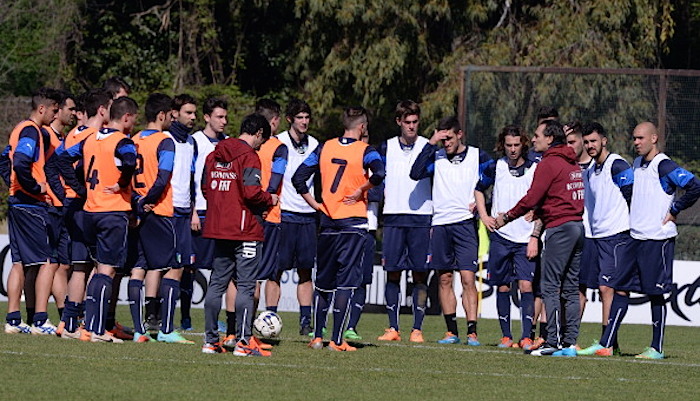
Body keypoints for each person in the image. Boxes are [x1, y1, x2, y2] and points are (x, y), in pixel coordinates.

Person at [587, 122, 700, 359]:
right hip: (634, 237)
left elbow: (694, 185)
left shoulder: (664, 165)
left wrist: (675, 209)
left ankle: (656, 348)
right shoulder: (637, 164)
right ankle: (607, 344)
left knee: (655, 293)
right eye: (634, 138)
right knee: (620, 288)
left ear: (654, 138)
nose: (636, 142)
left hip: (657, 240)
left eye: (640, 138)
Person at [294, 106, 385, 352]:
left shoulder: (324, 147)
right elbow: (379, 173)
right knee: (346, 283)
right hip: (353, 224)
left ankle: (316, 337)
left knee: (323, 282)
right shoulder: (366, 150)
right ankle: (336, 340)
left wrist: (316, 205)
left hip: (327, 223)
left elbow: (298, 178)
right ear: (362, 127)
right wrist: (362, 190)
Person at [495, 119, 584, 357]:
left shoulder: (549, 163)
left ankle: (552, 341)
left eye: (537, 135)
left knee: (550, 287)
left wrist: (508, 217)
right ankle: (569, 343)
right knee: (571, 288)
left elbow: (531, 198)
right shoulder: (571, 161)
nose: (533, 140)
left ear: (550, 139)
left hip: (560, 228)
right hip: (577, 227)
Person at [54, 96, 138, 342]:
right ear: (126, 118)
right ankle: (97, 328)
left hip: (89, 211)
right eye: (133, 119)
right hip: (112, 212)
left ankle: (74, 325)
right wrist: (122, 183)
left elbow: (61, 159)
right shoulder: (122, 141)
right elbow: (130, 162)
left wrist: (79, 187)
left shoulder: (90, 138)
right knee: (106, 271)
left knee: (87, 268)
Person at [410, 116, 493, 346]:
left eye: (449, 138)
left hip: (465, 223)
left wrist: (484, 203)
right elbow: (415, 173)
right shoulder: (436, 157)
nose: (445, 143)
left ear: (460, 135)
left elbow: (499, 176)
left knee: (468, 278)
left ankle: (472, 332)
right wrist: (431, 142)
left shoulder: (478, 156)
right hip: (440, 224)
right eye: (442, 138)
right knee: (444, 278)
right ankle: (451, 331)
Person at [201, 114, 278, 356]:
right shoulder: (249, 157)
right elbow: (252, 192)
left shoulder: (213, 154)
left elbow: (206, 188)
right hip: (245, 228)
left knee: (216, 284)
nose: (261, 146)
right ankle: (244, 343)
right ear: (257, 134)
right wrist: (270, 199)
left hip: (219, 227)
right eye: (262, 141)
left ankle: (210, 341)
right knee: (245, 286)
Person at [46, 89, 112, 339]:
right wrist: (80, 189)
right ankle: (91, 323)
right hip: (88, 206)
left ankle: (69, 323)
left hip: (73, 207)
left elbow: (53, 165)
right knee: (100, 264)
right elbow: (61, 165)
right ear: (103, 110)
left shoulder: (75, 132)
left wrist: (64, 196)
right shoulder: (95, 136)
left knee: (79, 267)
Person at [129, 93, 193, 344]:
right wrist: (147, 201)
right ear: (162, 115)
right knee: (173, 267)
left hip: (138, 212)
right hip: (160, 211)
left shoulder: (133, 140)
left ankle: (139, 331)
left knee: (139, 268)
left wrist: (137, 203)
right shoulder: (165, 142)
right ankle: (166, 330)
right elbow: (163, 176)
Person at [475, 125, 540, 350]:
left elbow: (543, 199)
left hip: (524, 238)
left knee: (526, 285)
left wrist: (534, 234)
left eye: (516, 145)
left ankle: (526, 336)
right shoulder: (497, 166)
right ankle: (506, 336)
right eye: (508, 145)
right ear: (503, 145)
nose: (512, 150)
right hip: (501, 237)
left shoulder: (535, 168)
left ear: (523, 144)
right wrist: (484, 216)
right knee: (502, 286)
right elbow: (478, 189)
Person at [4, 87, 62, 335]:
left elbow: (3, 159)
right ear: (42, 108)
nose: (56, 114)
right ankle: (40, 320)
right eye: (54, 110)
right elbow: (20, 162)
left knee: (20, 263)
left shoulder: (19, 129)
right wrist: (34, 188)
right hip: (30, 205)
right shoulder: (31, 130)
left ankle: (14, 320)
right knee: (47, 261)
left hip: (16, 202)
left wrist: (13, 185)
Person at [374, 100, 432, 343]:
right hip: (394, 217)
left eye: (415, 122)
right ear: (398, 122)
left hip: (421, 218)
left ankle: (417, 328)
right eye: (407, 122)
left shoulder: (430, 147)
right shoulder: (385, 148)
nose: (411, 126)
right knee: (393, 273)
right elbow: (376, 180)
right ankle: (392, 327)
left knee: (420, 276)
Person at [575, 122, 634, 356]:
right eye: (586, 142)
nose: (590, 146)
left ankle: (606, 343)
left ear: (604, 141)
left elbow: (632, 195)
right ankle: (610, 342)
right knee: (600, 288)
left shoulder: (616, 164)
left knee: (607, 287)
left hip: (617, 235)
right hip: (596, 237)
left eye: (593, 141)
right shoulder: (590, 170)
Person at [190, 98, 235, 336]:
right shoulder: (195, 141)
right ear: (207, 117)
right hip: (200, 212)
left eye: (225, 117)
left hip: (221, 214)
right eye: (219, 117)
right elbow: (191, 179)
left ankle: (223, 320)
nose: (224, 122)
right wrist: (193, 211)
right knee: (191, 268)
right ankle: (186, 318)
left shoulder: (229, 143)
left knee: (222, 269)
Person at [277, 99, 318, 335]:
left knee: (305, 271)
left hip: (308, 216)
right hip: (283, 214)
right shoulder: (278, 142)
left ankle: (305, 321)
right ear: (290, 119)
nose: (304, 122)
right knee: (276, 270)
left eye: (307, 117)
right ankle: (271, 313)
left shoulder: (315, 144)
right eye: (299, 117)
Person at [165, 94, 198, 331]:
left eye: (194, 113)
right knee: (163, 267)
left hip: (185, 213)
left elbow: (193, 180)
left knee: (186, 266)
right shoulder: (165, 139)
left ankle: (183, 318)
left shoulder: (191, 143)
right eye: (188, 112)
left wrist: (194, 210)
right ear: (174, 113)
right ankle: (156, 317)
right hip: (167, 212)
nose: (193, 117)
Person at [254, 99, 289, 315]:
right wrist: (266, 203)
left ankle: (241, 326)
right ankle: (262, 322)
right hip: (269, 216)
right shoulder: (279, 148)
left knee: (247, 274)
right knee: (266, 274)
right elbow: (275, 181)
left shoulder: (247, 143)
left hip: (245, 215)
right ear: (275, 121)